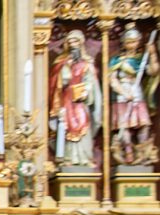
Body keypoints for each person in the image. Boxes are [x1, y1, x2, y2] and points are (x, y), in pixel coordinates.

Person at [109, 22, 160, 166]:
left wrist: (152, 54)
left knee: (143, 124)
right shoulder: (116, 60)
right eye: (129, 42)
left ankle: (143, 151)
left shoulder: (140, 60)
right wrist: (124, 92)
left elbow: (153, 71)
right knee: (123, 124)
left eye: (135, 42)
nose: (132, 45)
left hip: (136, 92)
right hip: (122, 94)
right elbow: (112, 80)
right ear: (124, 43)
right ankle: (128, 149)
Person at [49, 29, 101, 167]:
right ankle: (69, 158)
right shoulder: (62, 62)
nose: (73, 45)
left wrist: (86, 91)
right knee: (67, 125)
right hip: (66, 99)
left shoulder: (87, 64)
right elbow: (57, 82)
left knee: (83, 122)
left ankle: (84, 158)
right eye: (70, 42)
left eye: (75, 41)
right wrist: (65, 69)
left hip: (81, 101)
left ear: (81, 43)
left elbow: (91, 82)